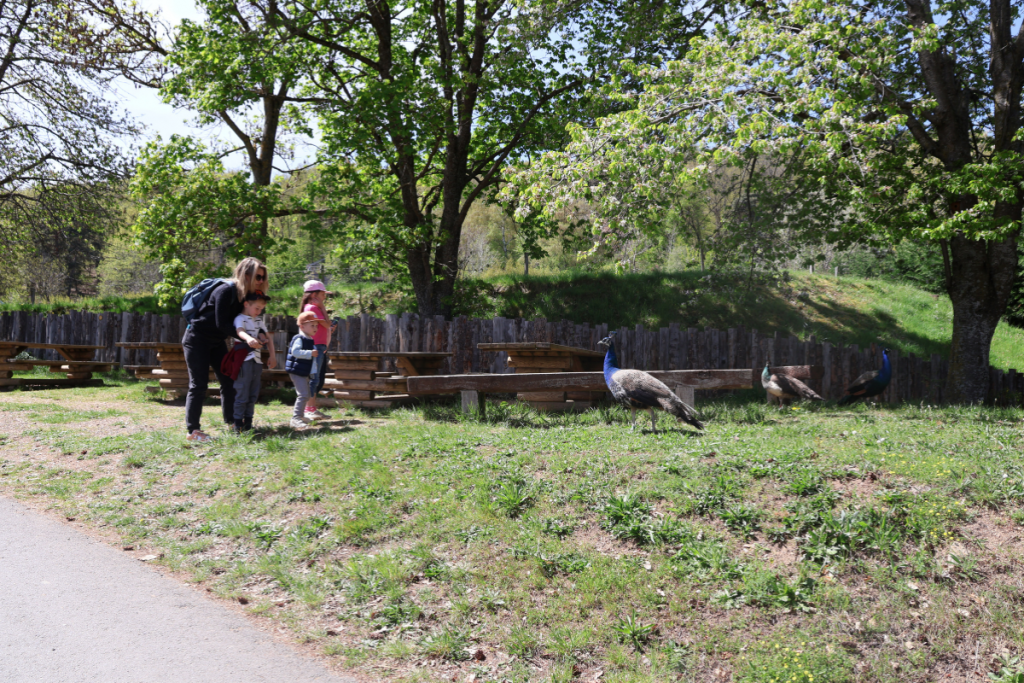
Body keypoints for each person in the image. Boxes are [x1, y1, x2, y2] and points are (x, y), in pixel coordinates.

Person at [182, 257, 268, 443]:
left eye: (263, 277)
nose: (261, 281)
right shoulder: (225, 290)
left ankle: (232, 423)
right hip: (197, 339)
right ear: (246, 275)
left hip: (216, 341)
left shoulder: (247, 298)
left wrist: (260, 333)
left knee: (229, 380)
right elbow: (222, 323)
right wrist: (246, 338)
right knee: (199, 384)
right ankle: (193, 431)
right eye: (258, 277)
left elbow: (251, 320)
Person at [231, 291, 276, 433]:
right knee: (242, 392)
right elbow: (240, 331)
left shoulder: (259, 321)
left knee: (253, 393)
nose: (259, 311)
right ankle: (238, 424)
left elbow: (266, 336)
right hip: (244, 361)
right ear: (246, 304)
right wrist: (248, 339)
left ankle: (248, 423)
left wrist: (272, 355)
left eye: (261, 309)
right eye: (257, 308)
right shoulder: (240, 318)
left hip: (256, 361)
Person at [299, 280, 335, 420]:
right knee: (314, 379)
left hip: (319, 346)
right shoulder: (312, 308)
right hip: (315, 346)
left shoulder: (312, 308)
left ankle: (311, 408)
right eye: (323, 294)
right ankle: (309, 410)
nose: (324, 297)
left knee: (317, 379)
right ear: (314, 294)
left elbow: (325, 326)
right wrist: (323, 308)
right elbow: (326, 323)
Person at [286, 311, 320, 430]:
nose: (315, 328)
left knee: (306, 395)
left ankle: (300, 416)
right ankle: (296, 418)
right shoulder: (299, 338)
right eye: (312, 325)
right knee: (303, 395)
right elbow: (295, 352)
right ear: (302, 326)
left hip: (303, 371)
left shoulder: (309, 339)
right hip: (297, 371)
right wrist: (310, 353)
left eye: (316, 325)